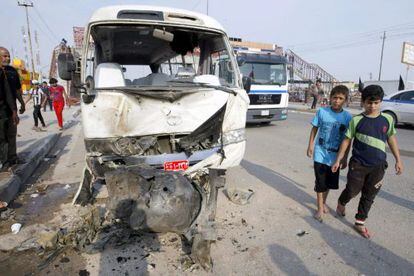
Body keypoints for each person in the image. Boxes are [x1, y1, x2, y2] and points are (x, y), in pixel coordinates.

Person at [332, 85, 404, 239]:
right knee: (352, 190)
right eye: (369, 103)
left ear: (381, 102)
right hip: (357, 165)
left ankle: (360, 221)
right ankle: (341, 202)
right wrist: (339, 159)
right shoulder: (357, 120)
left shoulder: (387, 119)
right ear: (363, 102)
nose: (372, 106)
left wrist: (398, 160)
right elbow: (346, 140)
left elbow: (391, 139)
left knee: (369, 195)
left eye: (376, 103)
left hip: (378, 166)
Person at [307, 85, 352, 222]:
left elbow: (348, 139)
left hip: (335, 157)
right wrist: (310, 145)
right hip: (320, 153)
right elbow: (314, 129)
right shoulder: (322, 112)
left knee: (329, 183)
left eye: (340, 98)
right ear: (330, 97)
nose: (337, 101)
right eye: (334, 97)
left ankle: (323, 201)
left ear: (345, 100)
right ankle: (320, 208)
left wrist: (344, 158)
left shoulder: (347, 117)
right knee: (320, 182)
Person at [0, 47, 25, 165]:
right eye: (4, 56)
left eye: (8, 56)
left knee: (11, 134)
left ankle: (12, 158)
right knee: (2, 137)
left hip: (10, 109)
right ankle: (3, 161)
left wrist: (22, 103)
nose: (7, 58)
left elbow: (16, 90)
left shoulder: (12, 71)